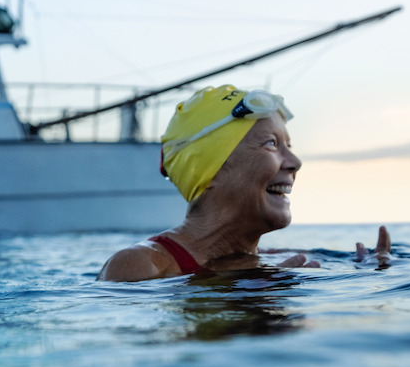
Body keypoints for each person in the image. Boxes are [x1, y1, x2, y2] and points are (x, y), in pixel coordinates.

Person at [98, 85, 391, 281]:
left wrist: (370, 270)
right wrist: (248, 291)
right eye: (271, 144)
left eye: (289, 145)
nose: (295, 162)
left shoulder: (278, 258)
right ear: (209, 171)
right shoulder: (140, 266)